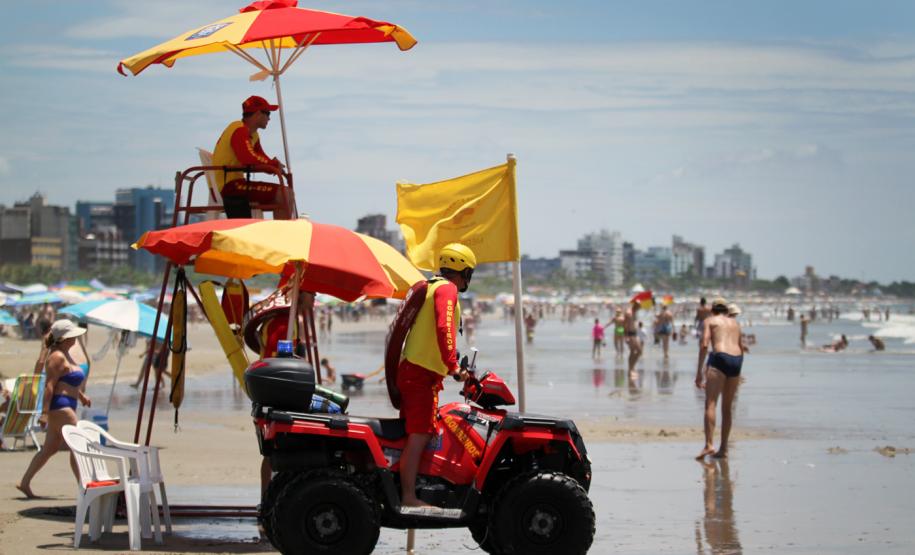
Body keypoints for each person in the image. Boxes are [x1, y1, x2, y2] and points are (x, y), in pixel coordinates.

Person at [397, 243, 474, 511]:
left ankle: (411, 488)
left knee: (413, 434)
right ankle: (408, 496)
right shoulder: (446, 289)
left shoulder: (432, 285)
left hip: (415, 370)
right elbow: (444, 327)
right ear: (463, 271)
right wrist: (453, 366)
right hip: (420, 374)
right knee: (420, 434)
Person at [17, 320, 91, 498]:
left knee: (50, 449)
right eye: (72, 335)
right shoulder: (56, 356)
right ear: (64, 338)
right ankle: (84, 488)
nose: (75, 337)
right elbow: (50, 386)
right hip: (60, 407)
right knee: (77, 446)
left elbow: (68, 381)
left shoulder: (66, 354)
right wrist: (44, 414)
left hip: (67, 404)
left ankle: (24, 483)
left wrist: (81, 396)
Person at [213, 95, 292, 220]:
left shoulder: (253, 134)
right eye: (268, 113)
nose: (269, 118)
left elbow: (261, 157)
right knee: (284, 194)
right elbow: (248, 158)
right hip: (230, 186)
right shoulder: (239, 129)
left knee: (285, 193)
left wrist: (273, 164)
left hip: (238, 184)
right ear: (258, 113)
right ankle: (282, 231)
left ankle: (280, 228)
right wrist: (272, 165)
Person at [695, 298, 744, 460]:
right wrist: (739, 371)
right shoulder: (735, 323)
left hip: (720, 357)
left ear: (712, 310)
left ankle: (709, 445)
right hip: (737, 360)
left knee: (710, 404)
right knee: (727, 408)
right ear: (726, 310)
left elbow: (704, 344)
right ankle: (723, 449)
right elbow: (741, 347)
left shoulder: (710, 320)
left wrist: (699, 372)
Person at [624, 299, 642, 373]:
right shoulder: (629, 313)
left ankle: (631, 367)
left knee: (638, 351)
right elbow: (625, 325)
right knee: (635, 351)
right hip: (630, 334)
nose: (640, 308)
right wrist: (626, 336)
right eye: (639, 306)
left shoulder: (635, 313)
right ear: (635, 305)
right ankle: (631, 369)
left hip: (634, 334)